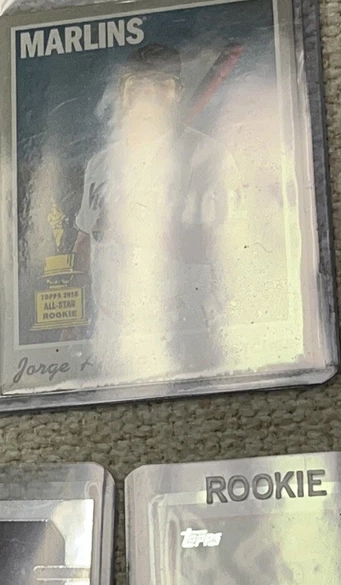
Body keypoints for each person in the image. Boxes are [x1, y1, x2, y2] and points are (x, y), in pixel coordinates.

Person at [72, 44, 240, 369]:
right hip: (112, 335)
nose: (148, 97)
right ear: (122, 94)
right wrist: (75, 317)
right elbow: (84, 241)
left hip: (187, 333)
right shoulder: (99, 165)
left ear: (177, 93)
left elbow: (233, 253)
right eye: (137, 87)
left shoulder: (209, 156)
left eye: (160, 87)